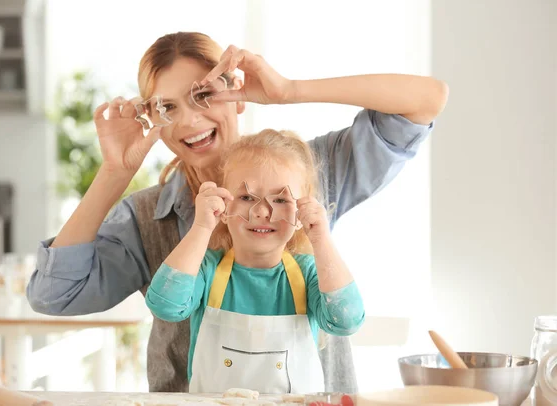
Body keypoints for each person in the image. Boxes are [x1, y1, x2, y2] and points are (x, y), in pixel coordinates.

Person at [26, 31, 448, 393]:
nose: (189, 121)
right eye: (168, 108)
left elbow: (426, 100)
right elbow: (53, 296)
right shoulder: (149, 216)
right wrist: (116, 171)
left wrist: (291, 90)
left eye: (204, 94)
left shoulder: (309, 172)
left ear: (237, 95)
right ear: (152, 119)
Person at [146, 129, 365, 393]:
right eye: (246, 197)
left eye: (281, 199)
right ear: (225, 207)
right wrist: (202, 227)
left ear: (302, 211)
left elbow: (346, 320)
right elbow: (165, 305)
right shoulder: (209, 269)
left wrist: (320, 238)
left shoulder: (308, 274)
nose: (261, 211)